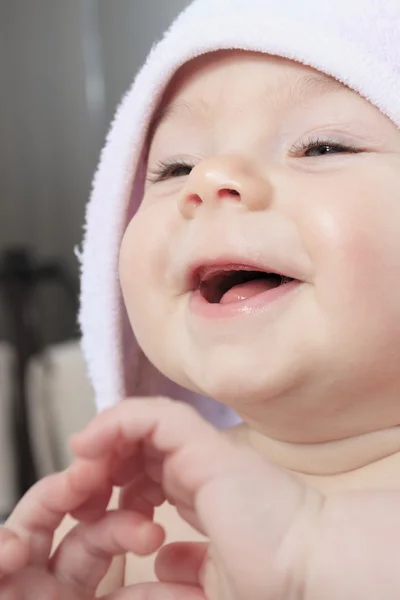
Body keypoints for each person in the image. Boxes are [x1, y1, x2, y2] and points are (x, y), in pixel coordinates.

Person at [1, 0, 400, 597]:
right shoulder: (139, 520)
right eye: (174, 166)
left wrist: (312, 561)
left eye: (321, 147)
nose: (210, 179)